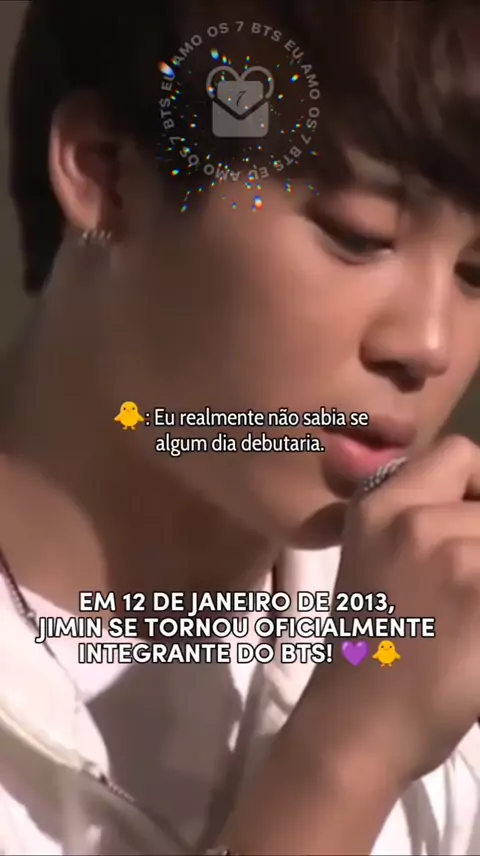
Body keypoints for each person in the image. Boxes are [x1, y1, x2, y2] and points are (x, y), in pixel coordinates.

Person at [2, 0, 480, 853]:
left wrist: (370, 687)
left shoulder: (419, 654)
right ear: (105, 172)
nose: (429, 343)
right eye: (358, 236)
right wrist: (344, 760)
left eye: (477, 274)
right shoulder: (386, 706)